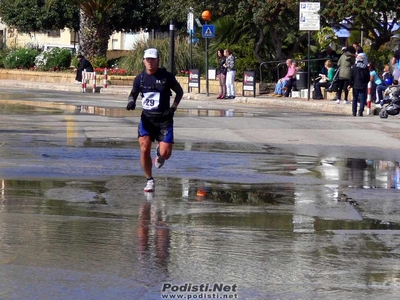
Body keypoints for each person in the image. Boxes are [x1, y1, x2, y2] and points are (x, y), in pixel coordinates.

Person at [126, 48, 184, 192]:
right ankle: (149, 180)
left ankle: (160, 154)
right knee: (144, 148)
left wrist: (173, 108)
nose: (150, 62)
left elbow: (179, 92)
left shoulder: (166, 77)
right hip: (147, 120)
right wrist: (131, 101)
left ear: (158, 60)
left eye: (153, 59)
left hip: (164, 120)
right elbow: (132, 94)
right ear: (144, 61)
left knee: (166, 154)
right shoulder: (139, 78)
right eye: (147, 60)